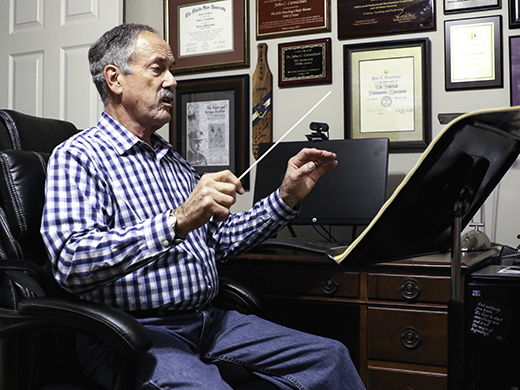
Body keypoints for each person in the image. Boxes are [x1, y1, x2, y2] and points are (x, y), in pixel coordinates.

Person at [40, 23, 365, 390]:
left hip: (211, 322)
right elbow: (72, 262)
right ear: (115, 79)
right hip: (135, 332)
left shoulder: (173, 159)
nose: (172, 81)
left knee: (330, 358)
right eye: (158, 68)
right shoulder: (78, 157)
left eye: (171, 68)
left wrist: (285, 198)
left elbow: (218, 241)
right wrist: (176, 221)